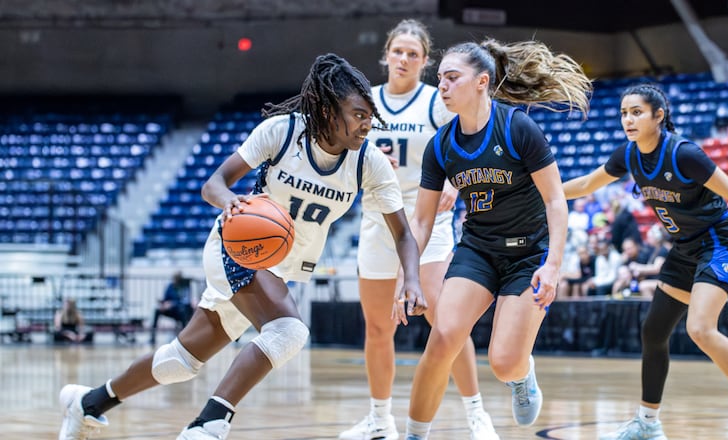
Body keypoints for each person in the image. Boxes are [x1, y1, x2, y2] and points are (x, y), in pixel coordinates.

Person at [57, 53, 424, 440]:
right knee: (288, 332)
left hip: (278, 266)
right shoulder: (282, 133)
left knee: (181, 361)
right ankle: (207, 425)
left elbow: (402, 233)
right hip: (237, 248)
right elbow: (213, 183)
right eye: (358, 114)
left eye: (370, 115)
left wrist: (411, 279)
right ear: (329, 110)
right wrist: (228, 199)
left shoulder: (369, 162)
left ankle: (88, 403)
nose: (368, 124)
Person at [562, 83, 728, 440]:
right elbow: (590, 183)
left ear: (658, 116)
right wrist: (543, 190)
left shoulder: (684, 154)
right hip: (684, 247)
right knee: (653, 331)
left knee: (700, 328)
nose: (628, 119)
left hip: (718, 242)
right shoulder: (629, 154)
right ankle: (647, 423)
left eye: (636, 112)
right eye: (623, 113)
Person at [402, 39, 591, 439]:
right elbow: (420, 222)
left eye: (453, 78)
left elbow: (556, 201)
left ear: (482, 82)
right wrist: (409, 277)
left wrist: (553, 265)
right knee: (443, 339)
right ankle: (414, 434)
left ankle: (522, 376)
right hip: (479, 251)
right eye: (441, 79)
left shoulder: (517, 127)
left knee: (504, 363)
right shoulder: (441, 145)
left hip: (529, 255)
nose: (444, 87)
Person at [342, 19, 498, 440]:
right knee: (378, 328)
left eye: (414, 54)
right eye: (398, 51)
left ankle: (475, 413)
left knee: (446, 323)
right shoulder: (366, 102)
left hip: (428, 222)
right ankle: (379, 419)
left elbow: (465, 145)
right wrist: (364, 164)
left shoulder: (437, 100)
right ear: (386, 55)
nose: (405, 59)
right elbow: (342, 159)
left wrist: (452, 182)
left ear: (425, 61)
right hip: (378, 221)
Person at [150, 270, 194, 345]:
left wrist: (172, 304)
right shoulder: (170, 286)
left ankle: (185, 337)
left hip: (180, 310)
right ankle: (152, 337)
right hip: (170, 310)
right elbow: (166, 298)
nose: (174, 280)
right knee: (157, 310)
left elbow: (185, 301)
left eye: (176, 278)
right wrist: (162, 303)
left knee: (182, 311)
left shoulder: (184, 288)